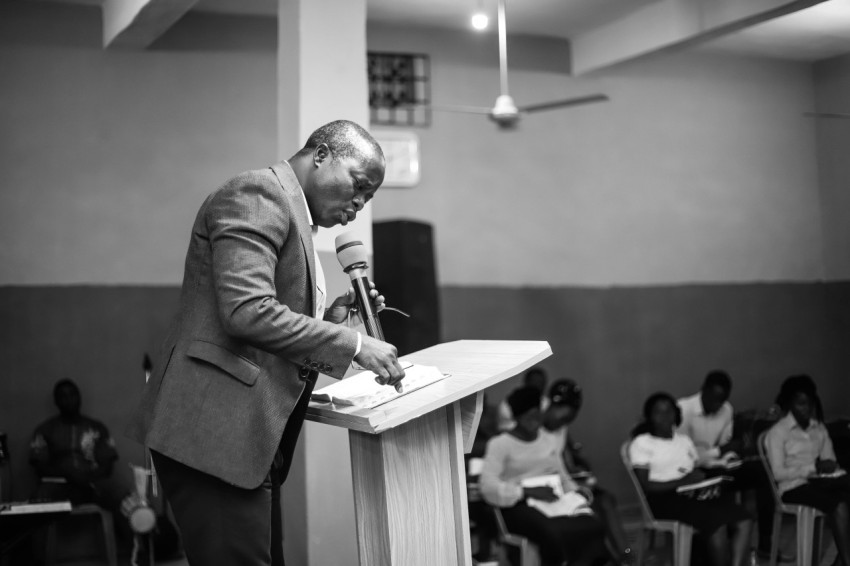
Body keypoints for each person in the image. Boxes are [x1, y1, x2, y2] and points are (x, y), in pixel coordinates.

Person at [126, 120, 406, 566]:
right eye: (358, 186)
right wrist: (353, 344)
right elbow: (247, 311)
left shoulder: (293, 216)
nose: (358, 204)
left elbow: (267, 321)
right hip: (214, 433)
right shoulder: (258, 196)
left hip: (246, 438)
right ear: (321, 155)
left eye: (368, 198)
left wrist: (330, 321)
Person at [480, 386, 610, 566]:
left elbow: (562, 476)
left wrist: (578, 491)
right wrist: (525, 491)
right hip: (518, 504)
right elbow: (487, 486)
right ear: (517, 418)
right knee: (551, 531)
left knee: (593, 523)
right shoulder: (500, 444)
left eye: (537, 415)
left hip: (552, 498)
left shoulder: (547, 439)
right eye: (528, 417)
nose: (534, 422)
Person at [629, 392, 753, 566]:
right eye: (659, 412)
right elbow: (646, 485)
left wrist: (710, 476)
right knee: (717, 523)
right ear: (649, 416)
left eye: (669, 411)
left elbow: (695, 468)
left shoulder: (684, 441)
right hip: (662, 499)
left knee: (743, 517)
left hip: (692, 494)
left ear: (676, 414)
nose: (665, 417)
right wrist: (685, 481)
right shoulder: (642, 443)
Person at [678, 370, 782, 560]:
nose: (717, 405)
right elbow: (684, 457)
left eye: (722, 400)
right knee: (719, 483)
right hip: (693, 470)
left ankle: (763, 542)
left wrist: (730, 455)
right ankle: (724, 533)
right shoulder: (683, 410)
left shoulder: (726, 409)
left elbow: (726, 445)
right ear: (703, 390)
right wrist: (719, 452)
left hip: (717, 465)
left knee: (758, 475)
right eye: (713, 399)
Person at [543, 379, 633, 564]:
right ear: (550, 405)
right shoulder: (534, 431)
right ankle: (609, 557)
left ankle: (625, 554)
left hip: (568, 483)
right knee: (593, 511)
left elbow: (564, 461)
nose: (563, 421)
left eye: (568, 418)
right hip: (550, 490)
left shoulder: (562, 427)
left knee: (606, 500)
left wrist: (578, 474)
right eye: (562, 416)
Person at [765, 375, 850, 566]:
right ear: (790, 404)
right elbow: (778, 474)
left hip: (819, 482)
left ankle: (842, 561)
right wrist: (812, 468)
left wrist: (829, 466)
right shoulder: (778, 433)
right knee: (839, 504)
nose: (806, 408)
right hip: (792, 487)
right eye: (800, 404)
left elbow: (830, 460)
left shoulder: (818, 428)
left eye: (809, 403)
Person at [29, 379, 119, 506]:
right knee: (39, 497)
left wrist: (86, 477)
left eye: (73, 394)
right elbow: (39, 467)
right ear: (56, 402)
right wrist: (68, 475)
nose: (69, 399)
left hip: (93, 482)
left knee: (122, 496)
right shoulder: (45, 430)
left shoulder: (97, 428)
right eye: (63, 396)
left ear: (79, 397)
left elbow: (107, 466)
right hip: (58, 483)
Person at [497, 367, 549, 432]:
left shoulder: (548, 403)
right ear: (526, 382)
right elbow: (507, 430)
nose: (538, 386)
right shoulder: (507, 404)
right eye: (535, 382)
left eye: (541, 383)